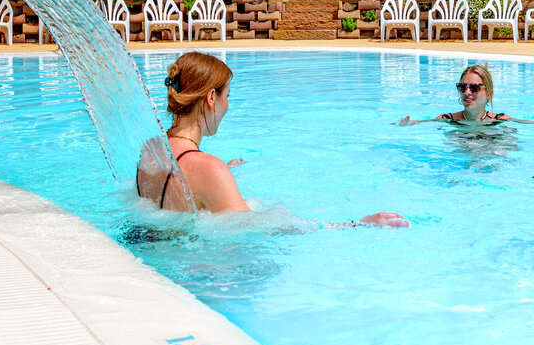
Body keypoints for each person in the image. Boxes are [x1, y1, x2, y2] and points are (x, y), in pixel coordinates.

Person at [138, 51, 408, 227]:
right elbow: (265, 229)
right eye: (227, 96)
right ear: (211, 98)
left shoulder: (151, 150)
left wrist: (219, 177)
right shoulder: (208, 169)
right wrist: (357, 225)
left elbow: (173, 203)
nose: (227, 105)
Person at [397, 64, 534, 128]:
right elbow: (420, 123)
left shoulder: (499, 120)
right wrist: (406, 124)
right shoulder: (448, 120)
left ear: (488, 93)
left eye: (474, 88)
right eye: (462, 87)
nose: (467, 93)